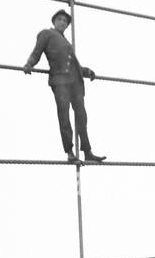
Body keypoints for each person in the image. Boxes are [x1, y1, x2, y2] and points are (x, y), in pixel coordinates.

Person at [23, 9, 106, 164]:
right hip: (60, 82)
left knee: (82, 116)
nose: (62, 22)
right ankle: (69, 152)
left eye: (65, 21)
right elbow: (36, 52)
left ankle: (87, 151)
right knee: (64, 116)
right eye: (60, 19)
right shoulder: (46, 34)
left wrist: (86, 71)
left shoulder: (66, 42)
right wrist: (29, 63)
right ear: (54, 21)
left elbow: (73, 65)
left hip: (75, 84)